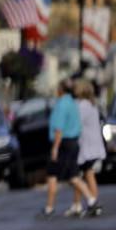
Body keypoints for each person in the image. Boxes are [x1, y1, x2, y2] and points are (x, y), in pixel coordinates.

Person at [41, 80, 92, 218]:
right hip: (73, 142)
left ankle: (91, 200)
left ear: (61, 90)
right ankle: (83, 202)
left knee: (59, 175)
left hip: (63, 143)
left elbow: (59, 128)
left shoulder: (62, 104)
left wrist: (55, 148)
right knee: (71, 175)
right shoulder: (72, 102)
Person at [72, 80, 106, 217]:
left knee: (86, 174)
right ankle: (79, 204)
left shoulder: (83, 106)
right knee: (86, 173)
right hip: (93, 145)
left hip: (87, 146)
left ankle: (92, 203)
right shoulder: (92, 104)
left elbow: (76, 124)